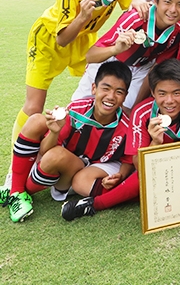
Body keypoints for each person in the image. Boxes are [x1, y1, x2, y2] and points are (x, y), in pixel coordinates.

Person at [10, 0, 143, 153]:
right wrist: (82, 16)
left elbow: (132, 3)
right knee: (34, 106)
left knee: (100, 88)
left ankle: (87, 147)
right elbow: (62, 39)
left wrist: (139, 1)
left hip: (85, 39)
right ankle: (19, 161)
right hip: (48, 41)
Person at [60, 59, 180, 221]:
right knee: (144, 177)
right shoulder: (142, 114)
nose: (169, 101)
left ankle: (96, 203)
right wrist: (155, 143)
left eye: (176, 93)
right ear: (152, 92)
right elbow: (140, 166)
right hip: (154, 172)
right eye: (162, 93)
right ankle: (99, 203)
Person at [1, 61, 133, 223]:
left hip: (82, 170)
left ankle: (16, 190)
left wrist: (119, 177)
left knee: (56, 157)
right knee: (36, 121)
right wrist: (55, 132)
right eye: (105, 88)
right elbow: (44, 151)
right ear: (94, 88)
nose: (111, 96)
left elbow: (128, 159)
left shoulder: (127, 126)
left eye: (118, 92)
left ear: (125, 96)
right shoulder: (76, 110)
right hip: (65, 163)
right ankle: (16, 190)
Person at [72, 0, 180, 112]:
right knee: (79, 108)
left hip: (141, 68)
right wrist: (115, 49)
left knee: (126, 112)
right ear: (155, 0)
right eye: (167, 2)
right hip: (111, 59)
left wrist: (136, 107)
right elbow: (90, 56)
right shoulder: (135, 18)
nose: (173, 10)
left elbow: (154, 68)